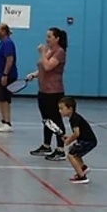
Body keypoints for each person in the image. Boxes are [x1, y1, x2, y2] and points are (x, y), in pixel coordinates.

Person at [25, 27, 68, 160]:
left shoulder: (59, 52)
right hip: (43, 90)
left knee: (56, 120)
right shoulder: (49, 50)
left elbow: (49, 66)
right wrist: (34, 74)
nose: (47, 39)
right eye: (47, 36)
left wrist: (42, 53)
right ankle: (46, 145)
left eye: (49, 37)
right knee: (46, 120)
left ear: (57, 38)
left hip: (54, 91)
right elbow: (44, 69)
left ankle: (60, 149)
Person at [57, 96, 95, 184]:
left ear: (70, 109)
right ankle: (83, 168)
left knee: (71, 155)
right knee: (73, 151)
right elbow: (78, 133)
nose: (60, 111)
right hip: (88, 140)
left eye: (62, 108)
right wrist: (69, 137)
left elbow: (77, 133)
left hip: (88, 141)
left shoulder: (74, 119)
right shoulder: (74, 117)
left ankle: (82, 177)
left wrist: (69, 141)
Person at [0, 24, 17, 133]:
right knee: (0, 99)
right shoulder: (2, 43)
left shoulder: (7, 43)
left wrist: (5, 74)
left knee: (5, 99)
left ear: (3, 31)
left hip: (6, 76)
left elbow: (9, 59)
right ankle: (2, 121)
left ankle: (8, 123)